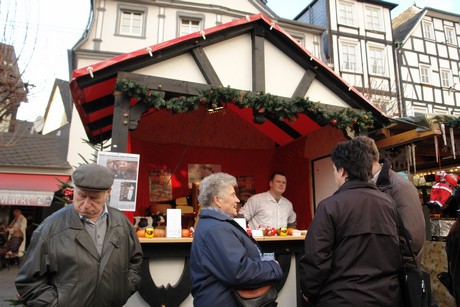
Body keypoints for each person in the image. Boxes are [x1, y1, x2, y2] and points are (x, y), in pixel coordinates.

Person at [16, 163, 143, 307]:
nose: (86, 204)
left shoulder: (121, 222)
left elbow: (135, 260)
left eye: (94, 198)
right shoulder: (49, 228)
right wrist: (56, 304)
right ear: (74, 189)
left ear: (108, 192)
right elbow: (28, 282)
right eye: (81, 196)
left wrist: (124, 289)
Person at [299, 139, 402, 306]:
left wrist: (308, 292)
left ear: (342, 171)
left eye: (333, 170)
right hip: (386, 297)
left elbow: (316, 258)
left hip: (340, 298)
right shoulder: (388, 203)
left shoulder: (329, 206)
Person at [190, 172, 284, 306]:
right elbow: (238, 272)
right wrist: (273, 267)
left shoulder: (214, 224)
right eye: (232, 195)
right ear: (218, 200)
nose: (237, 200)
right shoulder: (217, 229)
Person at [355, 135, 425, 266]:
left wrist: (386, 267)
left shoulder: (400, 187)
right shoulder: (370, 184)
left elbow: (412, 240)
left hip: (396, 273)